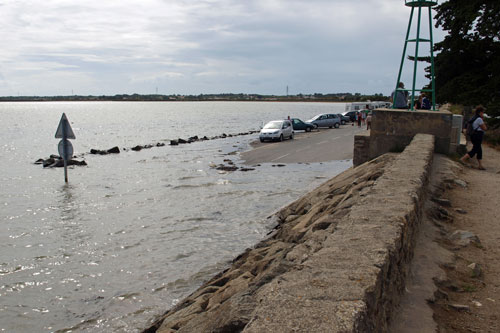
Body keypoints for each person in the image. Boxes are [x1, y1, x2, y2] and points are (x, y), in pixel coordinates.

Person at [460, 105, 487, 170]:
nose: (483, 113)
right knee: (475, 149)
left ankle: (480, 165)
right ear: (480, 112)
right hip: (478, 135)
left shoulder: (473, 117)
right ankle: (462, 159)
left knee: (479, 150)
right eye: (483, 112)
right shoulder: (479, 119)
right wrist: (483, 121)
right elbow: (484, 128)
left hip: (473, 135)